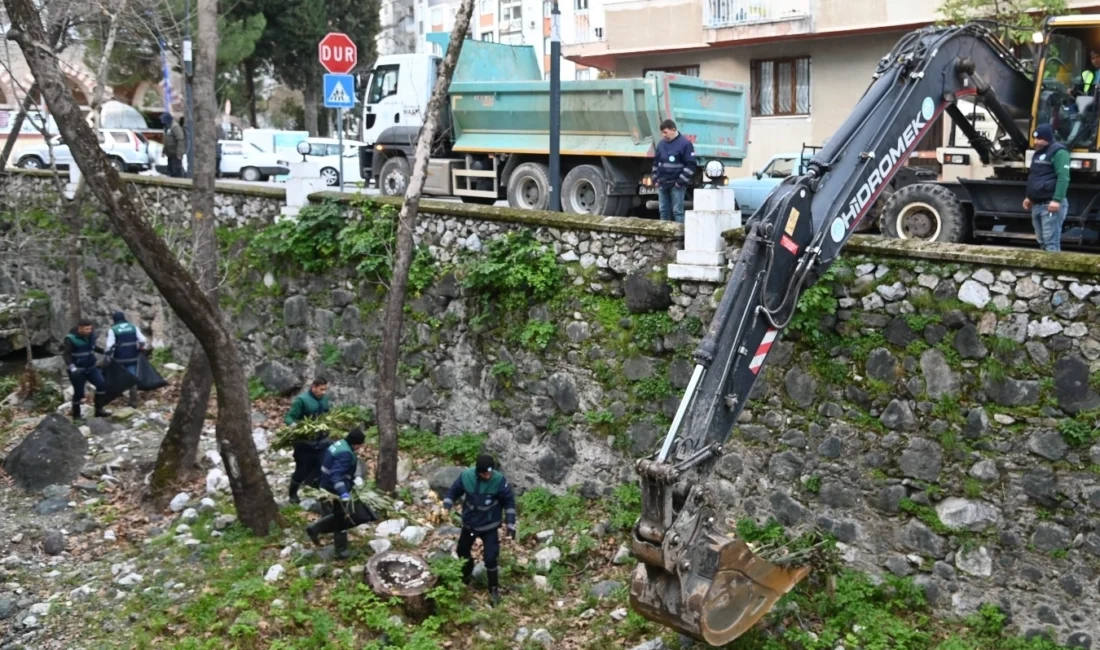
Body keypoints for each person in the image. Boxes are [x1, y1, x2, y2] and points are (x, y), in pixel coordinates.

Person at [443, 454, 517, 607]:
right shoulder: (467, 477)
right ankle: (467, 572)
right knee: (462, 551)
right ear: (478, 472)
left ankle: (494, 589)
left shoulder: (499, 481)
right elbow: (454, 491)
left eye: (490, 472)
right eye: (485, 473)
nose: (488, 475)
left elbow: (509, 501)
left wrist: (510, 523)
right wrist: (447, 504)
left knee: (490, 558)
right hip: (470, 524)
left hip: (489, 526)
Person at [305, 428, 375, 559]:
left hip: (326, 483)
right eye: (360, 445)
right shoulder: (346, 454)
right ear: (356, 444)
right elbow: (336, 476)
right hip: (334, 488)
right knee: (341, 518)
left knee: (339, 515)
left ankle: (315, 529)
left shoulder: (340, 444)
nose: (360, 448)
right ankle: (341, 550)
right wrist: (343, 493)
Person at [285, 377, 334, 504]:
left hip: (321, 442)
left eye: (325, 389)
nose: (323, 392)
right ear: (314, 387)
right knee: (302, 470)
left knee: (320, 469)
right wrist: (296, 427)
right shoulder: (301, 400)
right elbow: (289, 418)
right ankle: (293, 494)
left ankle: (317, 494)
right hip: (304, 444)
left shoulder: (324, 399)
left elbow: (327, 414)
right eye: (321, 389)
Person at [1023, 124, 1069, 252]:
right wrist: (1029, 197)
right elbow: (1035, 175)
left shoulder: (1059, 152)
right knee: (1042, 241)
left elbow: (1063, 177)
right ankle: (1046, 271)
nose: (1036, 142)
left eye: (1039, 139)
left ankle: (1054, 271)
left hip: (1049, 205)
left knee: (1051, 242)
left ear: (1047, 138)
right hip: (1037, 204)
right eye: (1035, 139)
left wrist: (1057, 199)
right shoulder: (1038, 153)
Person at [62, 318, 110, 420]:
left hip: (91, 368)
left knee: (101, 384)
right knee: (79, 393)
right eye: (86, 329)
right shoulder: (71, 339)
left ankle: (99, 410)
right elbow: (66, 355)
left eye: (90, 329)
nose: (89, 331)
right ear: (80, 328)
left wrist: (104, 351)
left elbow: (92, 347)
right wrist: (72, 368)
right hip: (78, 370)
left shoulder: (91, 336)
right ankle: (77, 416)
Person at [652, 119, 696, 224]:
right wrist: (655, 178)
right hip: (662, 183)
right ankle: (664, 236)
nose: (663, 135)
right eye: (662, 133)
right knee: (663, 211)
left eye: (665, 132)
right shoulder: (661, 144)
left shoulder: (685, 144)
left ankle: (679, 237)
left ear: (673, 129)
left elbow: (691, 165)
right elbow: (656, 163)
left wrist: (679, 182)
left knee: (677, 212)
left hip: (677, 185)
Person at [105, 311, 147, 408]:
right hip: (132, 358)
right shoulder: (133, 327)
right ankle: (134, 402)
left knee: (118, 378)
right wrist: (140, 347)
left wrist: (108, 354)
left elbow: (109, 345)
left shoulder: (113, 330)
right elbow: (143, 340)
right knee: (132, 379)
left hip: (119, 360)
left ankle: (117, 398)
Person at [162, 113, 184, 178]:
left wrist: (179, 153)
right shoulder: (167, 128)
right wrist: (163, 151)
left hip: (175, 154)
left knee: (176, 170)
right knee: (170, 170)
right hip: (170, 154)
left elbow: (180, 139)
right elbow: (166, 141)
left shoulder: (175, 127)